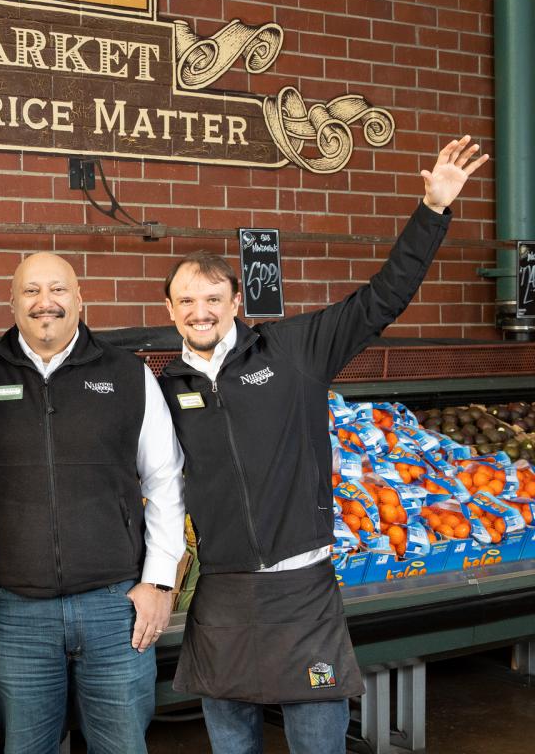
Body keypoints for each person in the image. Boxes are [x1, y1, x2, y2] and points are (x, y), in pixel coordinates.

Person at [157, 136, 488, 754]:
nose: (200, 311)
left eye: (211, 298)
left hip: (302, 589)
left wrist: (433, 209)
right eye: (187, 302)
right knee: (232, 747)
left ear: (235, 302)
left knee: (319, 743)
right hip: (223, 594)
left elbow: (381, 300)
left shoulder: (293, 350)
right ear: (171, 311)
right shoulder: (165, 389)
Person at [0, 252, 186, 753]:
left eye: (58, 289)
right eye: (31, 291)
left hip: (115, 607)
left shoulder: (127, 374)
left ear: (80, 299)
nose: (46, 302)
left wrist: (159, 581)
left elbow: (165, 479)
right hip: (14, 611)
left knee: (122, 745)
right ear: (12, 302)